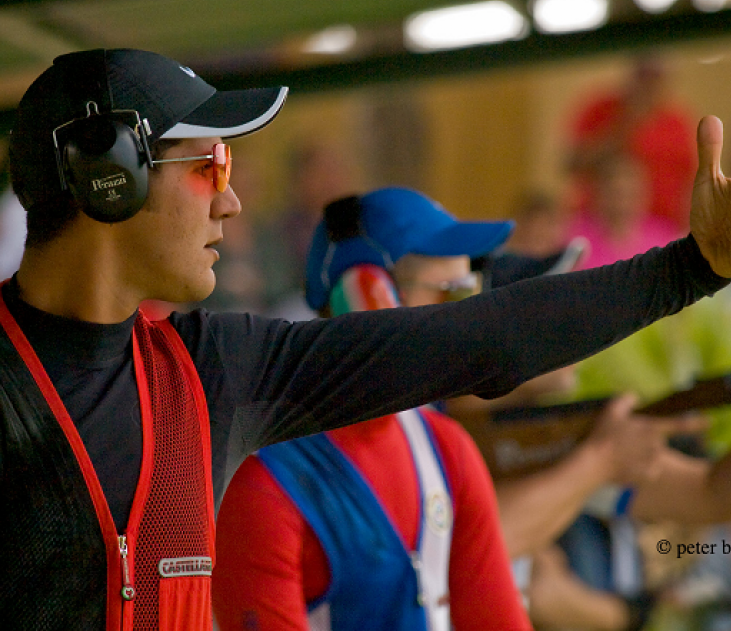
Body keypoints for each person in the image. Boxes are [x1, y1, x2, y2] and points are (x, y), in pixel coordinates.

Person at [0, 46, 731, 631]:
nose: (231, 197)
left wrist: (690, 268)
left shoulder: (215, 368)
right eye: (210, 164)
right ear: (109, 176)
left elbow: (478, 341)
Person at [212, 187, 535, 630]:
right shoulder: (266, 482)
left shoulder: (448, 450)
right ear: (369, 299)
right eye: (453, 295)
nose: (470, 321)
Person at [568, 54, 697, 231]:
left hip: (661, 232)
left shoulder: (678, 122)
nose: (649, 84)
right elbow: (573, 165)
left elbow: (689, 183)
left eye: (657, 77)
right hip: (599, 229)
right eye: (644, 75)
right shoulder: (601, 109)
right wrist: (628, 122)